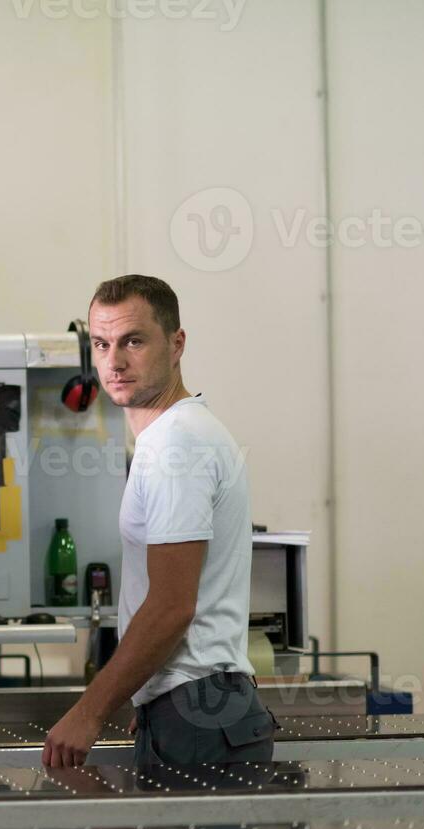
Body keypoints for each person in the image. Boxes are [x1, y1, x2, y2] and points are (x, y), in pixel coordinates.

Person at [41, 275, 276, 770]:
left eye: (133, 341)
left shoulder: (177, 445)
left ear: (176, 343)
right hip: (195, 706)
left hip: (200, 712)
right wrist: (152, 693)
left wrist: (89, 712)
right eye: (102, 344)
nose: (114, 361)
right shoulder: (177, 435)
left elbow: (172, 606)